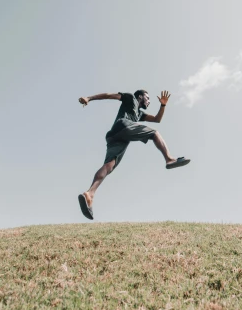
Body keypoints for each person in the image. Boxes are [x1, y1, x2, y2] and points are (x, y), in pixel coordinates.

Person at [77, 90, 190, 220]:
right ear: (140, 96)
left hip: (114, 136)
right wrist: (89, 98)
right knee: (155, 133)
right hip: (123, 126)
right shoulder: (130, 98)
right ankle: (169, 159)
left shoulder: (139, 114)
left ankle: (90, 194)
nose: (149, 101)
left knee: (109, 165)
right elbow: (109, 95)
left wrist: (163, 105)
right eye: (147, 98)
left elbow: (157, 119)